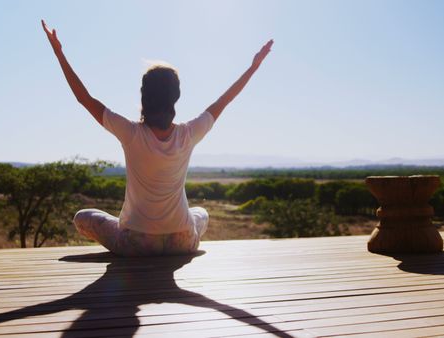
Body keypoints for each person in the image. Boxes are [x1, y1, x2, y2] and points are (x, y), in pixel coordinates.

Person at [42, 20, 273, 256]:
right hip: (182, 241)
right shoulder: (189, 133)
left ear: (144, 96)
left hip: (136, 244)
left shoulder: (130, 133)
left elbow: (85, 99)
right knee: (201, 212)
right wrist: (253, 67)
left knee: (82, 217)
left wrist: (59, 54)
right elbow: (225, 100)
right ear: (175, 97)